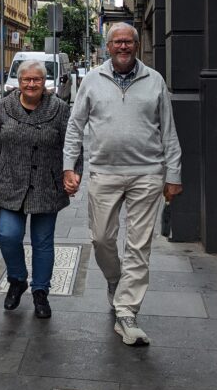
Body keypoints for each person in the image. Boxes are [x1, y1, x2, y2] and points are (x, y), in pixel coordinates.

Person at [63, 22, 182, 347]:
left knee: (139, 245)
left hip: (147, 173)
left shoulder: (154, 80)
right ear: (108, 45)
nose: (124, 47)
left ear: (135, 45)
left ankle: (127, 313)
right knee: (101, 239)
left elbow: (169, 132)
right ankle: (116, 281)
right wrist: (68, 167)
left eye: (129, 41)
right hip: (104, 172)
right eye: (117, 42)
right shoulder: (92, 80)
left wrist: (173, 174)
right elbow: (75, 126)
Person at [0, 59, 80, 319]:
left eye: (36, 79)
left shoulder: (59, 108)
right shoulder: (5, 106)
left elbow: (72, 144)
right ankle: (17, 279)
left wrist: (72, 172)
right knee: (7, 235)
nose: (31, 84)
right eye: (26, 79)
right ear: (18, 81)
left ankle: (41, 292)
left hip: (46, 185)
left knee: (43, 242)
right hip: (9, 183)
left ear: (44, 81)